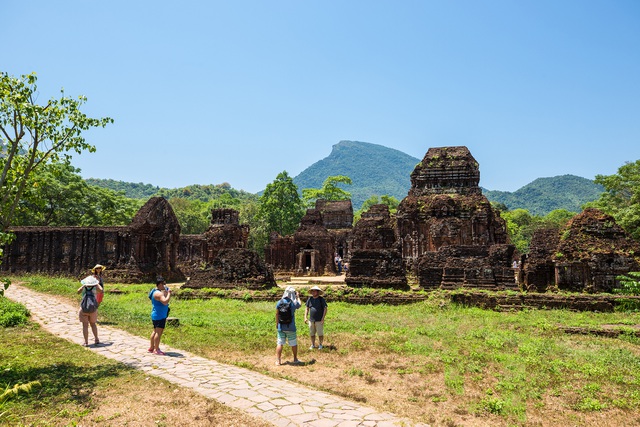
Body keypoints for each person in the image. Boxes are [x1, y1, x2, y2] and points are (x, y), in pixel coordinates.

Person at [275, 286, 302, 366]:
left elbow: (277, 313)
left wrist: (277, 323)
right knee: (293, 343)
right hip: (291, 327)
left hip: (281, 326)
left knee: (280, 343)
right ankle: (295, 358)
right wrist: (298, 297)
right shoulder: (293, 303)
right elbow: (299, 304)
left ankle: (278, 361)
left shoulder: (279, 302)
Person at [148, 276, 172, 355]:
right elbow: (165, 301)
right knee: (159, 332)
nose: (165, 285)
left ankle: (152, 347)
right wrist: (169, 294)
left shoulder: (154, 291)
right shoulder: (158, 294)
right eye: (163, 284)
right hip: (160, 315)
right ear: (160, 284)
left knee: (155, 331)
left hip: (155, 314)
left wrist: (164, 290)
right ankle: (156, 349)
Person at [77, 276, 103, 346]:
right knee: (93, 324)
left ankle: (86, 342)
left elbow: (78, 292)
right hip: (93, 309)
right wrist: (97, 284)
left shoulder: (84, 288)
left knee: (85, 326)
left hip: (84, 309)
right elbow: (101, 290)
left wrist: (83, 286)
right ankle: (96, 339)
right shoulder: (95, 288)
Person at [304, 285, 328, 350]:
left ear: (317, 292)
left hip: (319, 320)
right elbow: (307, 308)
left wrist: (323, 318)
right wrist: (305, 317)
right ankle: (313, 344)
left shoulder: (321, 299)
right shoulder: (310, 299)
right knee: (312, 333)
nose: (313, 292)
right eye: (312, 291)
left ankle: (320, 344)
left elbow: (325, 309)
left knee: (320, 333)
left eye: (314, 291)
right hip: (311, 320)